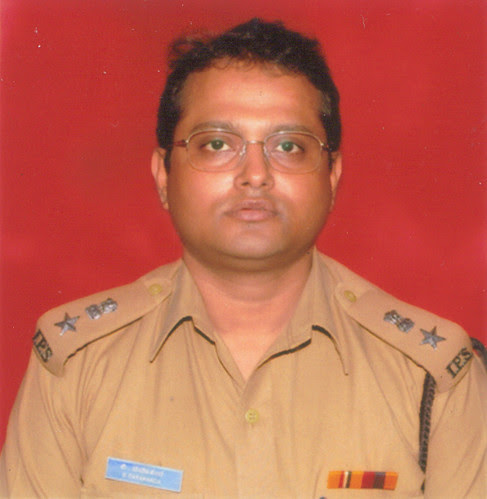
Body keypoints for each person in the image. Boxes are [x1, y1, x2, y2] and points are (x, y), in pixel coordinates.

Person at [1, 18, 485, 497]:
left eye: (289, 146)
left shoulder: (432, 376)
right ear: (164, 175)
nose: (255, 174)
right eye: (216, 144)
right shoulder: (76, 364)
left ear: (332, 176)